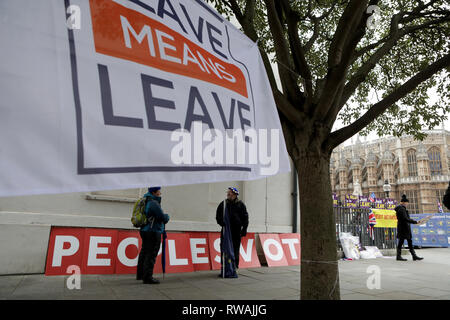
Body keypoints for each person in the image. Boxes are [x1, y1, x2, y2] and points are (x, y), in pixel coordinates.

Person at [136, 187, 170, 284]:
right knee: (151, 254)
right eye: (159, 191)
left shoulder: (146, 200)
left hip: (145, 230)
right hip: (153, 230)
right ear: (154, 192)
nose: (160, 193)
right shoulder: (153, 203)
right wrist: (167, 216)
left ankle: (141, 274)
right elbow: (162, 217)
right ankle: (147, 277)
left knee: (144, 252)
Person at [216, 187, 249, 271]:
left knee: (235, 248)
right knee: (224, 248)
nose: (228, 194)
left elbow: (245, 217)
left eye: (230, 192)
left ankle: (234, 266)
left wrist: (244, 229)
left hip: (236, 230)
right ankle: (224, 266)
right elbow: (218, 215)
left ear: (234, 194)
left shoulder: (241, 204)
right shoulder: (223, 204)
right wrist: (221, 222)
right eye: (228, 192)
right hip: (226, 230)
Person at [394, 194, 423, 261]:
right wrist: (415, 222)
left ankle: (414, 256)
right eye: (407, 203)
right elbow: (405, 219)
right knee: (401, 242)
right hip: (403, 228)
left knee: (409, 241)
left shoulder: (402, 209)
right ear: (404, 203)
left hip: (405, 227)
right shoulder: (401, 209)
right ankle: (398, 256)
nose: (407, 204)